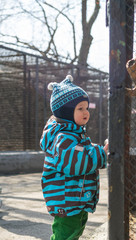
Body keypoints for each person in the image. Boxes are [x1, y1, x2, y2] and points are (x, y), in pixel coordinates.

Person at [40, 75, 109, 240]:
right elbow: (75, 163)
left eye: (86, 108)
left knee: (74, 232)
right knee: (65, 235)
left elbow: (80, 151)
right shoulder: (63, 137)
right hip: (66, 200)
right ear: (65, 111)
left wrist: (98, 149)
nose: (86, 112)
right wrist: (101, 152)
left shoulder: (72, 134)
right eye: (80, 108)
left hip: (74, 199)